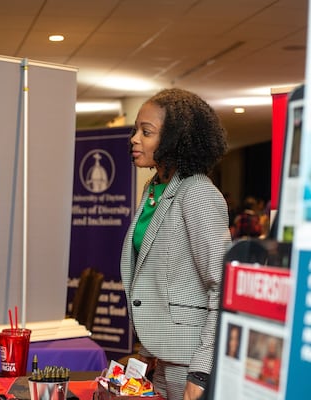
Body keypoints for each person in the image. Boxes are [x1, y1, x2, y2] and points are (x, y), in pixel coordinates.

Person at [120, 88, 232, 400]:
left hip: (190, 360)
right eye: (135, 130)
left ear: (174, 140)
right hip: (160, 357)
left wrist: (202, 370)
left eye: (146, 132)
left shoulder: (197, 193)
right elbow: (156, 280)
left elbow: (223, 286)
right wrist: (146, 350)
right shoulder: (153, 189)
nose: (134, 139)